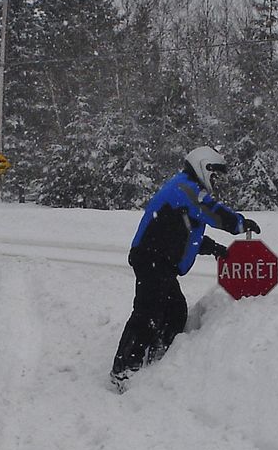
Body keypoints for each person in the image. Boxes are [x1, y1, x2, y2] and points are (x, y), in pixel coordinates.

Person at [109, 146, 261, 392]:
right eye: (214, 174)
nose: (215, 180)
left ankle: (157, 356)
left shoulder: (186, 193)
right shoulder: (184, 188)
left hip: (161, 263)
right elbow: (213, 212)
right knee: (148, 313)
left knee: (175, 311)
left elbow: (184, 237)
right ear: (204, 166)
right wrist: (239, 223)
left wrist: (214, 248)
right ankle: (124, 370)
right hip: (151, 260)